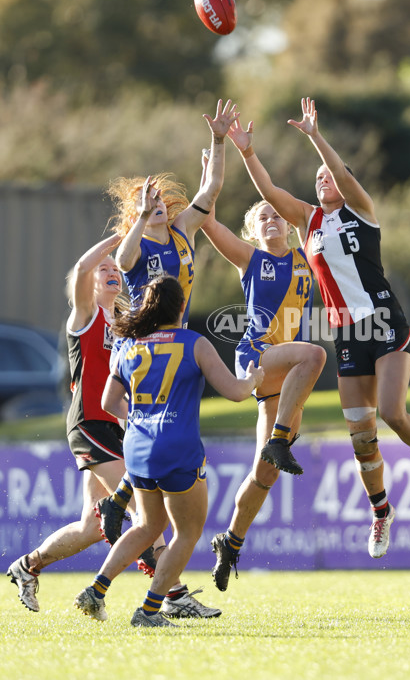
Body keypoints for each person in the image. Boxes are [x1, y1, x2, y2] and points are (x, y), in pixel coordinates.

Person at [227, 97, 410, 560]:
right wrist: (248, 153)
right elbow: (270, 193)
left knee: (392, 411)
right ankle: (380, 511)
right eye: (317, 179)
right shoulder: (308, 222)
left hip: (385, 322)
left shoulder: (361, 210)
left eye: (328, 175)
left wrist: (315, 137)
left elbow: (344, 177)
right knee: (361, 435)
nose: (323, 179)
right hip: (346, 333)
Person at [74, 275, 264, 627]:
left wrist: (143, 419)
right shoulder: (194, 343)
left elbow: (108, 402)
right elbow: (236, 392)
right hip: (177, 448)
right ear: (181, 306)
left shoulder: (130, 345)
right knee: (187, 533)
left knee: (147, 526)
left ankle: (96, 590)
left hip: (138, 448)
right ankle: (148, 612)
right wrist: (253, 379)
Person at [94, 99, 239, 548]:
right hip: (140, 344)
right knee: (142, 423)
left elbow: (211, 189)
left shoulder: (182, 231)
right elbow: (120, 259)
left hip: (173, 341)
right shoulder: (134, 246)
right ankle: (123, 500)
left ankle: (120, 500)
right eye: (147, 203)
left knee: (157, 427)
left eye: (157, 201)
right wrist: (138, 217)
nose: (156, 206)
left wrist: (218, 140)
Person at [200, 190, 326, 591]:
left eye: (277, 215)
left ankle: (230, 543)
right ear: (252, 231)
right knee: (314, 355)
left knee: (264, 474)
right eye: (262, 217)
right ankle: (279, 441)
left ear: (290, 224)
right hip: (256, 357)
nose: (271, 219)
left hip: (282, 372)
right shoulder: (251, 259)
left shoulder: (307, 257)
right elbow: (208, 222)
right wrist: (213, 180)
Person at [5, 235, 141, 610]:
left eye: (116, 268)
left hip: (114, 426)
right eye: (105, 269)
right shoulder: (86, 315)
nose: (112, 272)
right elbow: (82, 266)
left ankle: (28, 566)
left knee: (93, 528)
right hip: (89, 424)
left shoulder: (124, 323)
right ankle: (171, 594)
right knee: (141, 508)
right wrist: (125, 233)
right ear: (90, 283)